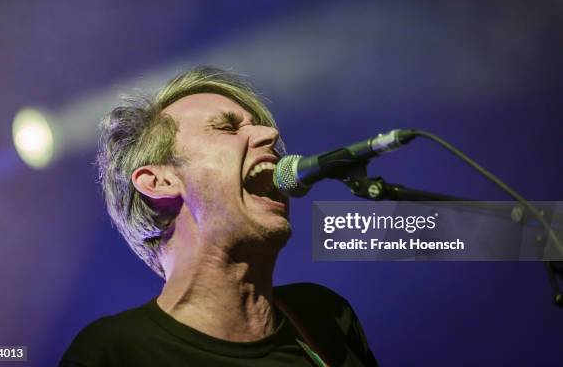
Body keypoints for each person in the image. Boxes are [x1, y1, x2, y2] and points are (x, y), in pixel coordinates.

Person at [59, 66, 378, 366]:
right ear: (160, 182)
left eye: (259, 125)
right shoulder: (115, 353)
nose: (269, 134)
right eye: (227, 127)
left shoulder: (324, 318)